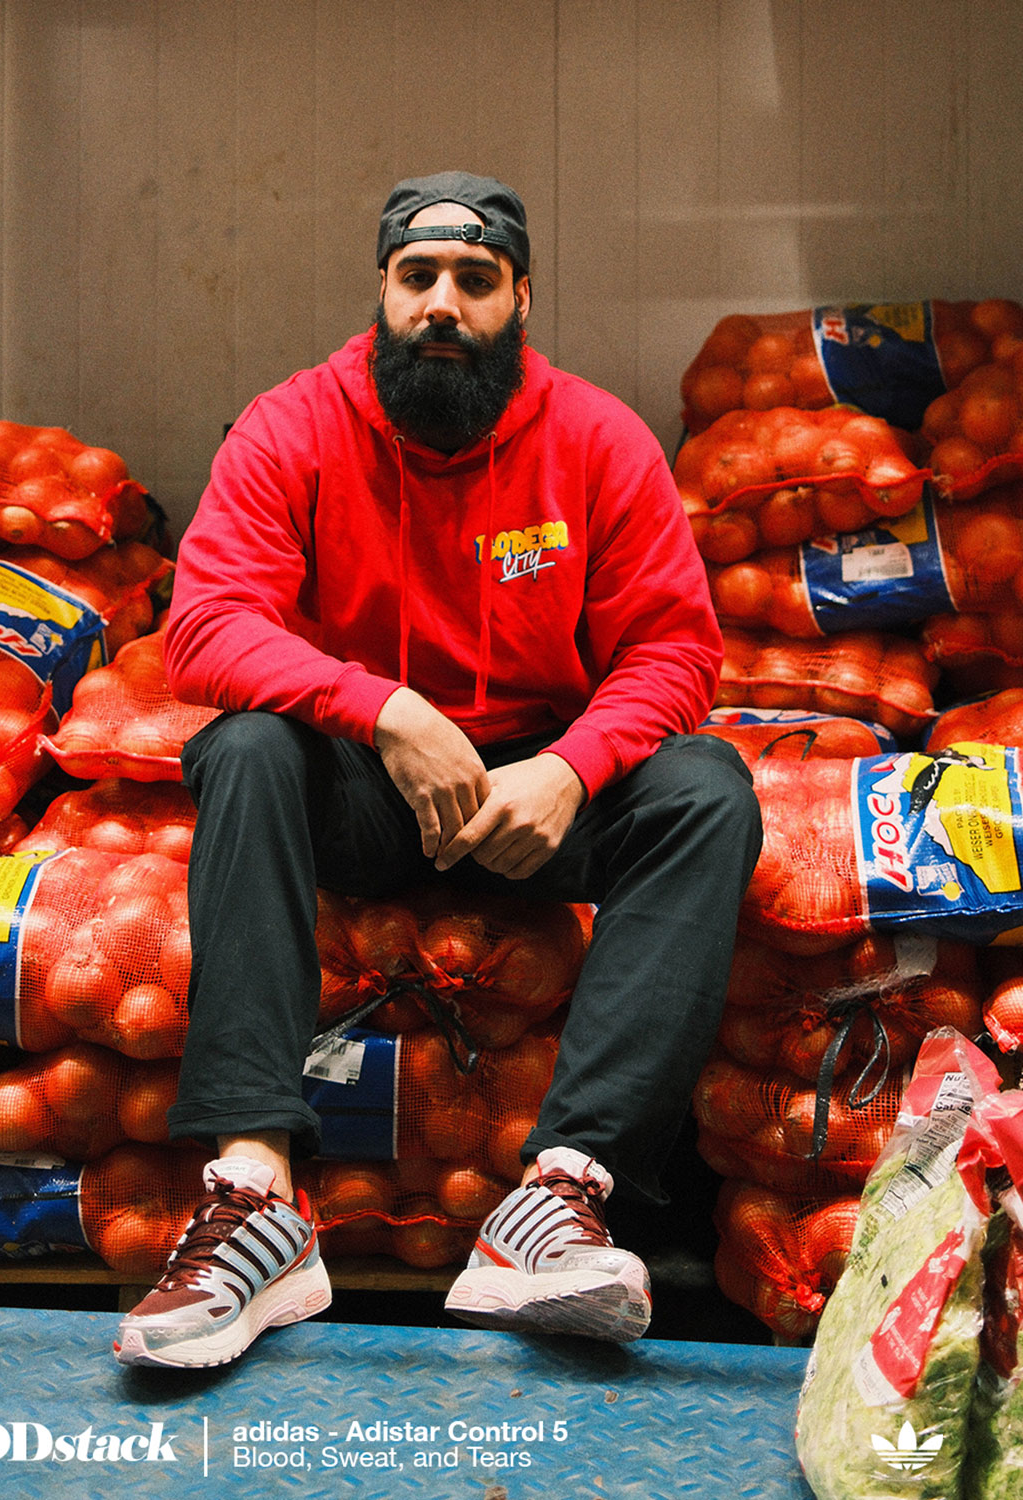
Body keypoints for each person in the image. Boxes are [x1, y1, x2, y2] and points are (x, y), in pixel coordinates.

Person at [113, 170, 763, 1370]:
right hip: (368, 781)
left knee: (705, 790)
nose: (442, 305)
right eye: (417, 277)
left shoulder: (596, 438)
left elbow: (675, 650)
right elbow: (204, 626)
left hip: (534, 798)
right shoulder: (293, 426)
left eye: (475, 279)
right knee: (245, 748)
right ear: (382, 290)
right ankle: (255, 1195)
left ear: (522, 298)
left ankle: (559, 1196)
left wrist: (572, 769)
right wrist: (385, 710)